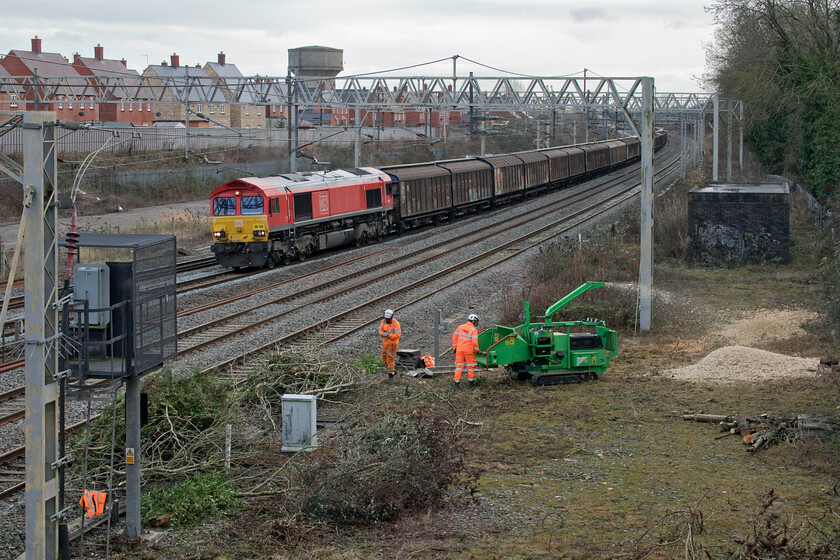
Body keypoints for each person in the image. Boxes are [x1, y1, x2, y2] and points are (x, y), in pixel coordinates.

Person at [452, 313, 480, 387]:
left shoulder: (460, 327)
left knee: (458, 367)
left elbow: (454, 337)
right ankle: (471, 383)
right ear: (474, 322)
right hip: (468, 351)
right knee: (470, 367)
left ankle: (456, 384)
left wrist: (455, 348)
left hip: (459, 350)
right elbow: (474, 342)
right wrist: (477, 350)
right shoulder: (473, 330)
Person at [378, 309, 401, 381]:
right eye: (386, 318)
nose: (386, 320)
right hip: (385, 342)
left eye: (388, 319)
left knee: (390, 358)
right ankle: (391, 370)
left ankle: (391, 374)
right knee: (384, 357)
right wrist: (382, 334)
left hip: (392, 343)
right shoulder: (383, 321)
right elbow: (380, 330)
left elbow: (397, 335)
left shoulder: (396, 323)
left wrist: (388, 335)